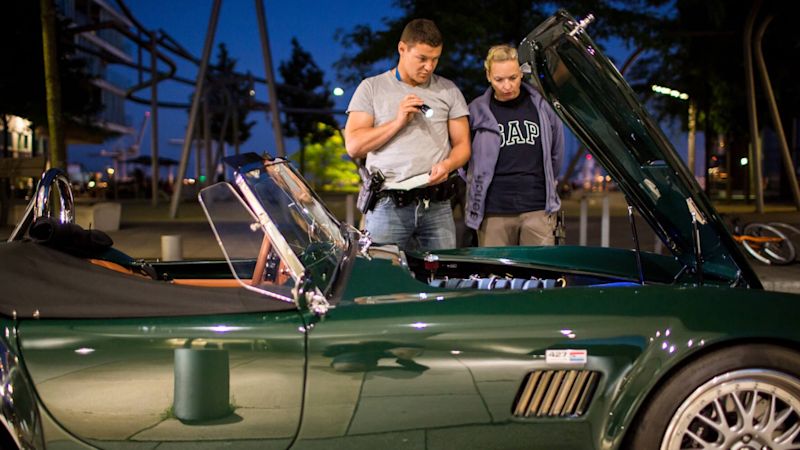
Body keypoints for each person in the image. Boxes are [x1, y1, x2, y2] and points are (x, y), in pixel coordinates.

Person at [344, 18, 470, 252]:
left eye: (435, 59)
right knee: (382, 271)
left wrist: (448, 165)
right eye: (422, 58)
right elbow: (354, 146)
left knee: (443, 271)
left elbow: (463, 145)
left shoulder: (449, 90)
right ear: (402, 49)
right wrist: (398, 122)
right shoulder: (371, 88)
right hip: (387, 206)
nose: (429, 67)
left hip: (437, 206)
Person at [464, 44, 564, 246]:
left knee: (539, 267)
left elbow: (557, 152)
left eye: (513, 78)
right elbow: (463, 157)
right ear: (488, 76)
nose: (507, 86)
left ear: (521, 74)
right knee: (494, 268)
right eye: (499, 79)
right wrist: (475, 180)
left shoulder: (542, 106)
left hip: (538, 208)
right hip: (493, 211)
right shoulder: (476, 111)